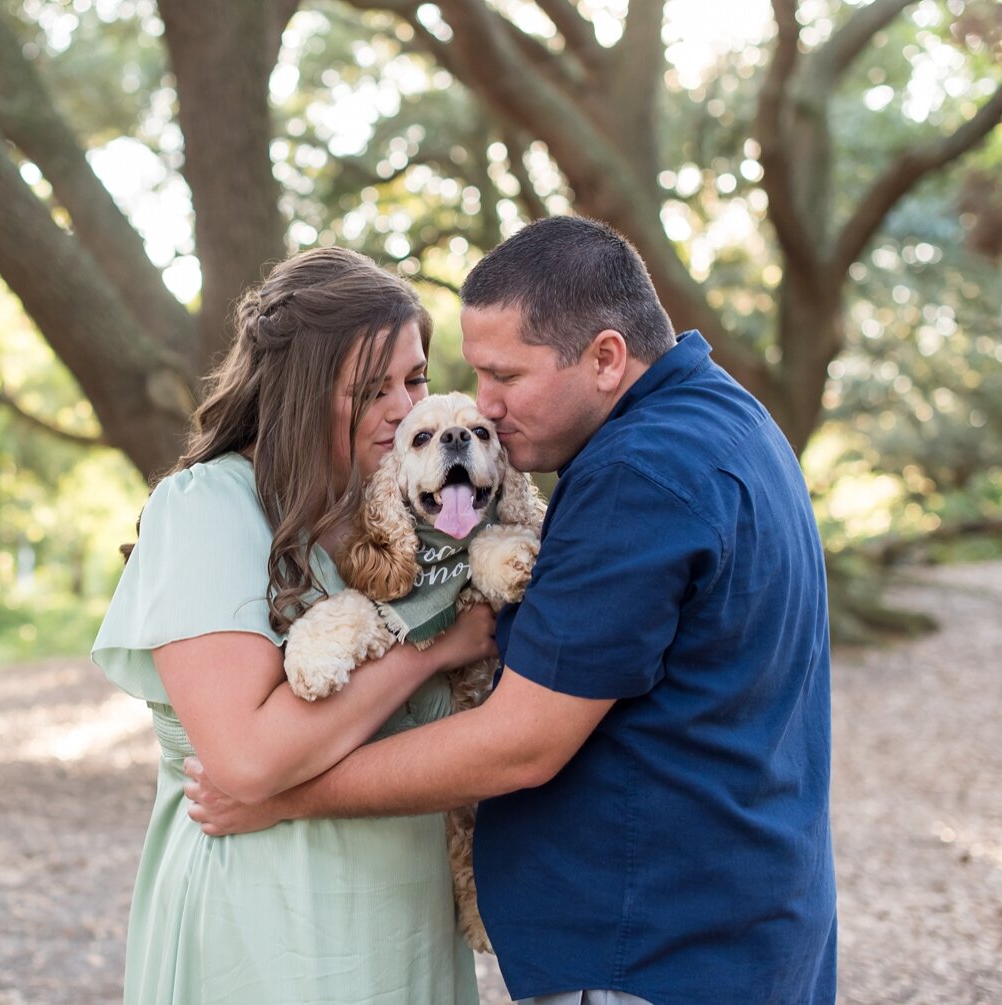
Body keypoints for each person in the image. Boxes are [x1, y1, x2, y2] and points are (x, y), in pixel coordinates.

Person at [185, 217, 838, 1005]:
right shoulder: (731, 420)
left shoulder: (640, 474)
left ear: (605, 357)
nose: (484, 408)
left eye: (506, 377)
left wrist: (285, 796)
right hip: (739, 925)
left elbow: (521, 744)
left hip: (651, 954)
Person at [91, 246, 498, 1003]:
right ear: (303, 392)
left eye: (414, 378)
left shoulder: (422, 517)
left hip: (406, 922)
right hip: (267, 926)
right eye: (370, 389)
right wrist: (431, 642)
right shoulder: (208, 508)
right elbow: (245, 760)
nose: (406, 407)